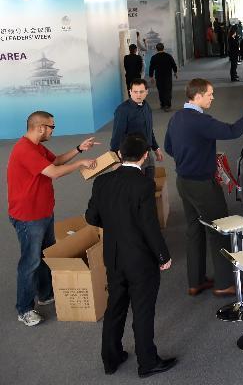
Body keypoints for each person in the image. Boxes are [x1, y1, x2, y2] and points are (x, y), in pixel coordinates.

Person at [164, 79, 243, 296]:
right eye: (210, 94)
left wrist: (192, 156)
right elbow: (232, 131)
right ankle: (224, 284)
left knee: (194, 230)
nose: (213, 98)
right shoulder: (201, 120)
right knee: (219, 230)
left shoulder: (176, 118)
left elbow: (169, 147)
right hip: (203, 184)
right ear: (198, 96)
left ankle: (196, 281)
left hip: (183, 182)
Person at [85, 134, 176, 378]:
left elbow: (91, 218)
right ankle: (147, 362)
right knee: (143, 310)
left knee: (115, 308)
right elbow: (149, 226)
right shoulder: (143, 185)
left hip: (113, 257)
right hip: (140, 260)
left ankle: (111, 358)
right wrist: (162, 256)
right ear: (145, 156)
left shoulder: (102, 183)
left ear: (119, 155)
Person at [7, 111, 98, 326]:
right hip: (29, 217)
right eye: (51, 127)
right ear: (40, 127)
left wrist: (78, 149)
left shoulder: (36, 146)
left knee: (45, 255)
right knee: (30, 262)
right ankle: (24, 308)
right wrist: (80, 163)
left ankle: (45, 294)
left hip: (43, 212)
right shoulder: (25, 149)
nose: (52, 131)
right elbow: (54, 172)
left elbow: (55, 160)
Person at [110, 79, 163, 178]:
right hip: (132, 157)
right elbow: (117, 137)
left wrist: (156, 148)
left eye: (141, 92)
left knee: (149, 183)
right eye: (135, 92)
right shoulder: (122, 111)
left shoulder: (146, 106)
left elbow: (149, 130)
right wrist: (116, 161)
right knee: (135, 187)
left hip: (147, 153)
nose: (138, 95)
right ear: (130, 92)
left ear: (147, 92)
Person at [148, 43, 178, 111]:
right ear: (163, 48)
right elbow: (173, 64)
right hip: (168, 76)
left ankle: (163, 104)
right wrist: (175, 72)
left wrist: (151, 77)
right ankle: (168, 105)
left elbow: (151, 67)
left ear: (156, 49)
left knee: (161, 90)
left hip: (159, 76)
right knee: (168, 90)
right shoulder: (168, 56)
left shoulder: (154, 57)